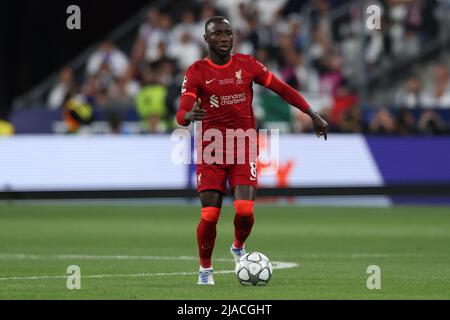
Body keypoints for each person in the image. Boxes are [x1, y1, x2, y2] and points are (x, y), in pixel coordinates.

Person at [175, 16, 328, 285]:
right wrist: (187, 115)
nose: (224, 38)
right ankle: (205, 270)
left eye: (228, 33)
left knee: (244, 210)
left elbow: (281, 88)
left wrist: (310, 112)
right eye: (218, 34)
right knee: (210, 214)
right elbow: (182, 109)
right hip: (211, 148)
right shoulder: (196, 71)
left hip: (244, 145)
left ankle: (237, 247)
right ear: (206, 39)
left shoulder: (246, 64)